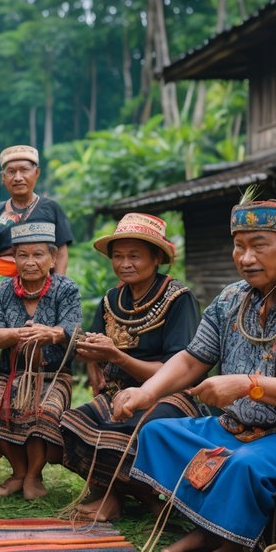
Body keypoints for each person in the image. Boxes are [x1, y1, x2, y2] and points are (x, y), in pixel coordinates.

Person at [114, 199, 276, 552]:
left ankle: (232, 547)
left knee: (242, 465)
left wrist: (247, 385)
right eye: (239, 246)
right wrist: (148, 392)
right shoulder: (229, 299)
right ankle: (207, 528)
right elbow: (193, 360)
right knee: (159, 433)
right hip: (235, 428)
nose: (245, 257)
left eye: (258, 245)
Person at [60, 213, 201, 522]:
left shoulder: (179, 298)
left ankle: (134, 493)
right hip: (118, 393)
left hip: (169, 394)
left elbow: (179, 369)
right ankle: (123, 494)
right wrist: (91, 358)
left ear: (156, 258)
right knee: (69, 425)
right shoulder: (112, 299)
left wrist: (118, 357)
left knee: (133, 429)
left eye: (135, 256)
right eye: (119, 256)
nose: (125, 263)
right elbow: (97, 347)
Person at [0, 222, 81, 501]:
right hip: (11, 372)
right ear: (14, 259)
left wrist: (51, 333)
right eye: (22, 255)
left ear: (54, 258)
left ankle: (34, 474)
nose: (30, 262)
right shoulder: (1, 290)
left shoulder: (66, 288)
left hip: (52, 374)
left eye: (38, 255)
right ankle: (19, 472)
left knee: (43, 413)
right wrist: (16, 333)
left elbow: (71, 329)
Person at [0, 145, 73, 331]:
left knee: (42, 337)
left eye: (24, 170)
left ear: (37, 173)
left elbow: (62, 253)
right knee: (6, 338)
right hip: (3, 290)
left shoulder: (51, 209)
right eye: (11, 172)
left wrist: (56, 291)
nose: (18, 177)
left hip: (43, 288)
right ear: (3, 178)